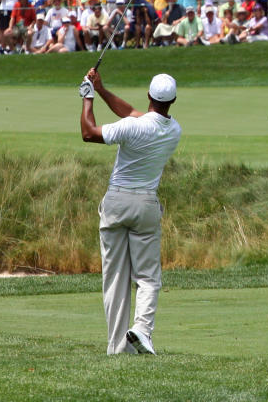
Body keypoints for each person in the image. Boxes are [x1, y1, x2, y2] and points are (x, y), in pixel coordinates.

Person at [78, 69, 181, 356]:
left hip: (116, 202)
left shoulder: (132, 127)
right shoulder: (174, 130)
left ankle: (117, 347)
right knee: (147, 277)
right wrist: (100, 89)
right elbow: (133, 113)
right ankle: (142, 330)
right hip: (146, 205)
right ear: (171, 101)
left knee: (115, 277)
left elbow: (89, 133)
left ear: (149, 95)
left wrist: (87, 98)